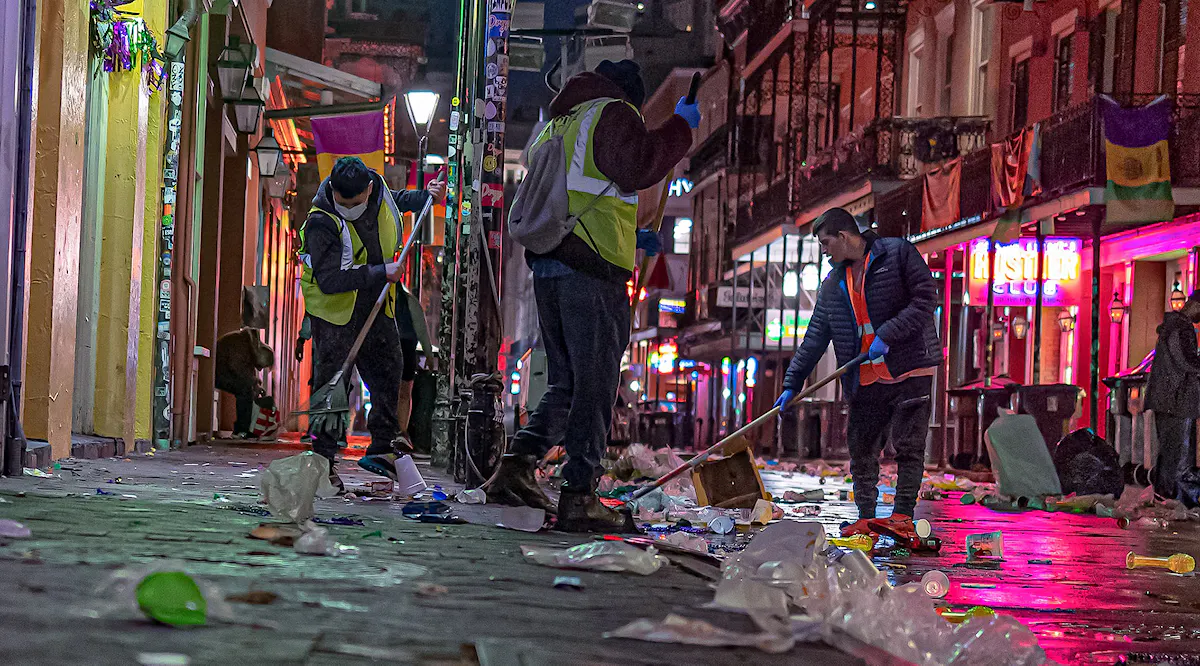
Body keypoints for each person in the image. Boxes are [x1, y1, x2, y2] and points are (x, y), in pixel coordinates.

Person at [484, 59, 699, 532]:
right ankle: (580, 494)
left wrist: (634, 236)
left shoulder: (559, 122)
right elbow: (639, 164)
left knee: (567, 383)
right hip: (591, 270)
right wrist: (681, 128)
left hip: (552, 266)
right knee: (596, 385)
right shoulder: (611, 112)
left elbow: (585, 191)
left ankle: (516, 467)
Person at [774, 208, 940, 541]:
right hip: (864, 377)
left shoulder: (898, 255)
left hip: (909, 368)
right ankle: (866, 519)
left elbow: (926, 299)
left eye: (826, 243)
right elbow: (815, 337)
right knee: (862, 450)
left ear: (844, 237)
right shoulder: (833, 285)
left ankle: (902, 517)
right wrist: (792, 383)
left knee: (908, 447)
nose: (824, 251)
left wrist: (888, 334)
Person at [298, 156, 446, 491]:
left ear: (368, 188)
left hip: (377, 306)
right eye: (343, 202)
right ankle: (323, 463)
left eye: (356, 202)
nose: (350, 208)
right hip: (335, 313)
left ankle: (382, 447)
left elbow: (399, 200)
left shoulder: (379, 192)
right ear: (333, 190)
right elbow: (329, 280)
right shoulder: (321, 222)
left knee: (389, 369)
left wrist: (426, 196)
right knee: (333, 384)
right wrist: (381, 272)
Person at [1144, 291, 1200, 501]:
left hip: (1166, 399)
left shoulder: (1171, 327)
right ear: (1195, 305)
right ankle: (1173, 498)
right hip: (1177, 399)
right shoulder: (1181, 328)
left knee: (1168, 451)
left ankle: (1163, 496)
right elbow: (1185, 361)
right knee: (1177, 452)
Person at [214, 327, 275, 437]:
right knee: (245, 392)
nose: (260, 369)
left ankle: (245, 428)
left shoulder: (247, 346)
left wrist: (255, 385)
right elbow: (237, 367)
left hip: (223, 371)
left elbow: (246, 372)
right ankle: (242, 430)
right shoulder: (241, 344)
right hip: (217, 372)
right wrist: (253, 382)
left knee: (247, 390)